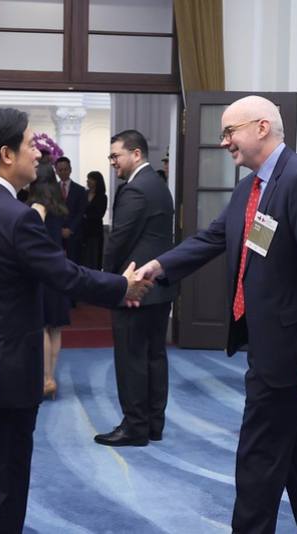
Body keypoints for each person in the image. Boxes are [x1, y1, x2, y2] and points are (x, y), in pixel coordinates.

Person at [137, 95, 297, 533]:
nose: (224, 143)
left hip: (290, 352)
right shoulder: (250, 188)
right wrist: (159, 267)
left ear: (261, 128)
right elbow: (214, 238)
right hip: (267, 344)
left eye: (229, 132)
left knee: (258, 460)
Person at [0, 107, 152, 534]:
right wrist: (120, 286)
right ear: (6, 154)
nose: (39, 153)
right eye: (31, 144)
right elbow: (64, 275)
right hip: (5, 375)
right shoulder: (16, 217)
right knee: (6, 486)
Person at [95, 129, 178, 448]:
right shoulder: (158, 186)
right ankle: (153, 424)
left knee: (131, 358)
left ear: (137, 154)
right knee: (154, 357)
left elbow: (118, 241)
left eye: (116, 155)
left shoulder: (134, 190)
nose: (113, 161)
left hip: (136, 289)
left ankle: (134, 427)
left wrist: (106, 279)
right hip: (159, 286)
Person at [28, 163, 71, 399]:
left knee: (42, 325)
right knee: (55, 327)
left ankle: (44, 380)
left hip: (42, 272)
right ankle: (51, 377)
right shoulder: (59, 207)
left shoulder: (36, 208)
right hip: (59, 271)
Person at [55, 156, 88, 264]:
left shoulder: (80, 190)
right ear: (56, 171)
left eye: (65, 169)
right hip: (56, 233)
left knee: (74, 263)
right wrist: (59, 229)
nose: (63, 172)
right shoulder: (52, 190)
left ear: (70, 170)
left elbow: (81, 212)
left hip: (74, 234)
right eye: (60, 170)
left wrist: (70, 229)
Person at [81, 170, 107, 269]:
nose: (88, 181)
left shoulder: (102, 196)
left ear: (97, 181)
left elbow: (100, 213)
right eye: (88, 179)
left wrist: (86, 215)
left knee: (94, 255)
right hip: (83, 230)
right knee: (84, 256)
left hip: (95, 230)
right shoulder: (84, 193)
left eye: (91, 179)